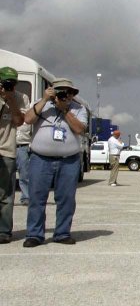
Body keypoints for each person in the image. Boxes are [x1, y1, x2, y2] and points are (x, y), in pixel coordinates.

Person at [21, 78, 88, 247]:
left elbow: (80, 129)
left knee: (66, 199)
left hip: (69, 160)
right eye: (61, 92)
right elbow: (27, 120)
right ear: (52, 91)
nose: (66, 95)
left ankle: (62, 233)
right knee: (36, 198)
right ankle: (34, 234)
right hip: (40, 158)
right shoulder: (41, 104)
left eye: (70, 92)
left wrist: (64, 110)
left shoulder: (78, 109)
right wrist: (44, 100)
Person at [0, 67, 28, 244]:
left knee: (6, 194)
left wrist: (10, 100)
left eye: (12, 82)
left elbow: (19, 121)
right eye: (6, 82)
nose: (10, 85)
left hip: (7, 150)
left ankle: (4, 231)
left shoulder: (20, 98)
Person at [15, 123, 31, 205]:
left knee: (24, 174)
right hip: (7, 146)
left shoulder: (28, 113)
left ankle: (26, 197)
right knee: (6, 175)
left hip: (23, 147)